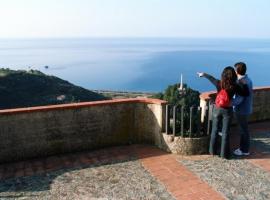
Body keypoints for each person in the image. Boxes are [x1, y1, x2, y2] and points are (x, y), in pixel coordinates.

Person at [197, 67, 249, 159]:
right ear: (233, 75)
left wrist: (203, 74)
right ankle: (224, 154)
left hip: (217, 108)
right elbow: (246, 93)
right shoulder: (235, 86)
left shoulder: (219, 83)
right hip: (227, 110)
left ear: (223, 74)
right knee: (225, 133)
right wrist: (244, 84)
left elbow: (211, 78)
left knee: (215, 130)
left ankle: (212, 151)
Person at [232, 62, 253, 156]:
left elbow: (239, 99)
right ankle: (244, 149)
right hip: (246, 108)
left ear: (237, 71)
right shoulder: (248, 80)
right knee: (245, 130)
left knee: (243, 130)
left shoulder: (241, 82)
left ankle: (244, 150)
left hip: (241, 110)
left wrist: (229, 103)